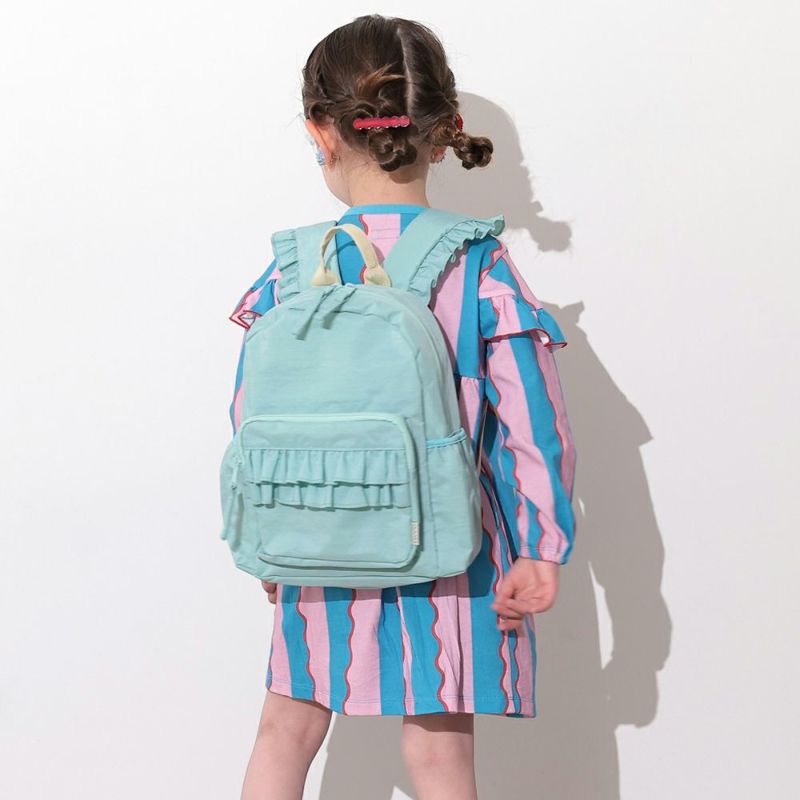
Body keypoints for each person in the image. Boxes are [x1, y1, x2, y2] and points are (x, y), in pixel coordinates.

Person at [226, 14, 577, 800]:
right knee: (439, 758)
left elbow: (250, 414)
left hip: (317, 540)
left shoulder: (291, 270)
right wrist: (541, 544)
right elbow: (532, 423)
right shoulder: (477, 265)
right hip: (451, 552)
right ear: (444, 132)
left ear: (321, 133)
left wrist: (273, 530)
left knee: (284, 735)